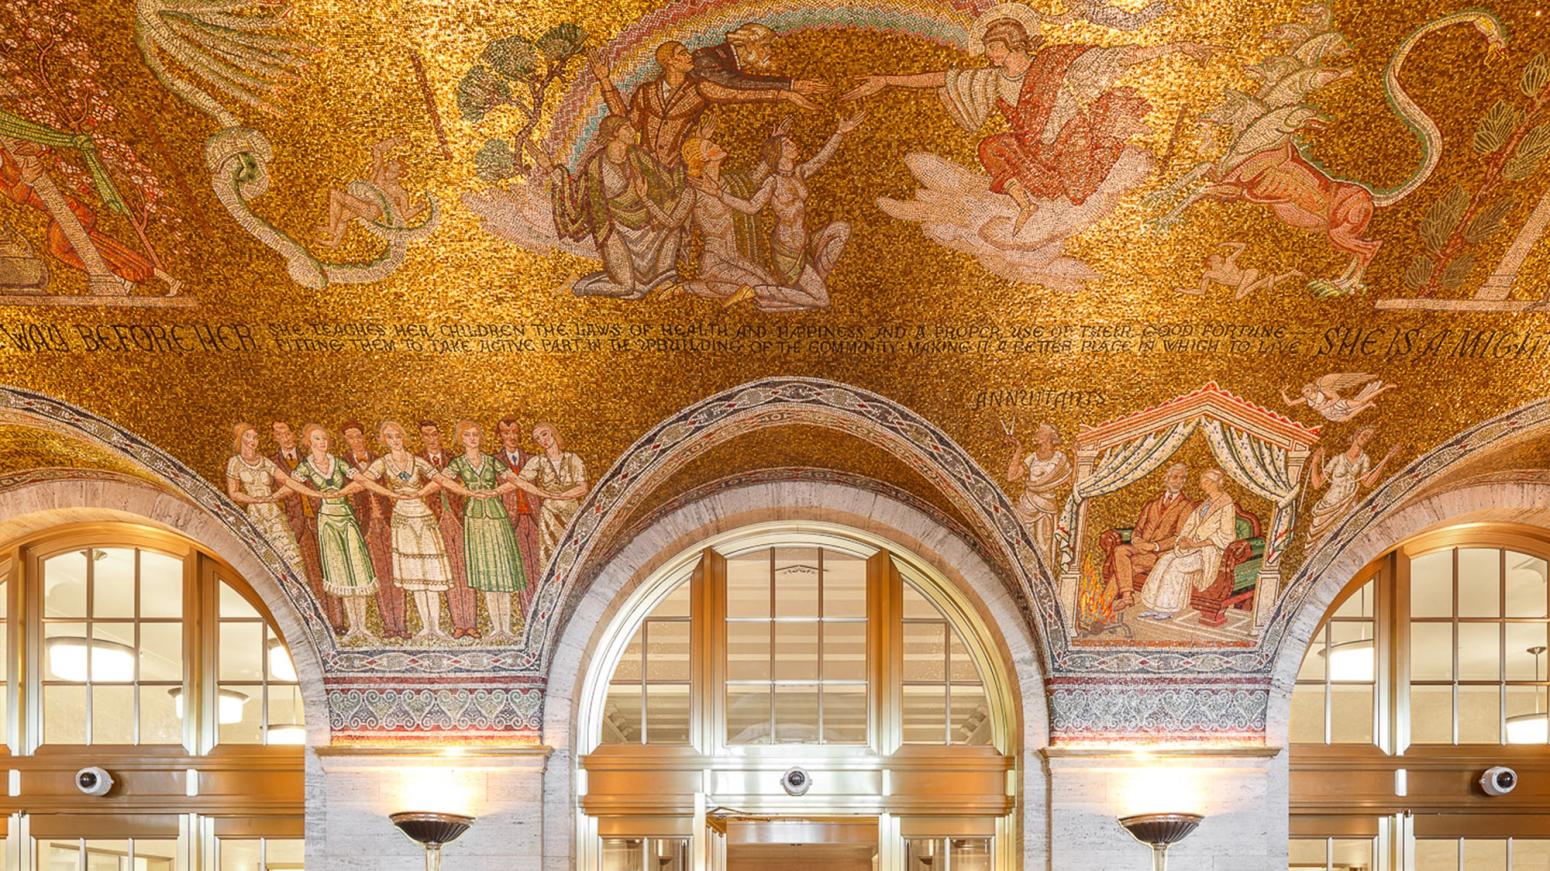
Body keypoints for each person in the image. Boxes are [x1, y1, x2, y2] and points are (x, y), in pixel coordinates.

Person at [843, 5, 1212, 234]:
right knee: (990, 147)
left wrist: (1179, 47)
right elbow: (944, 78)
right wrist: (887, 80)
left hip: (1070, 141)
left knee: (1078, 193)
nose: (987, 53)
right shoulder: (993, 79)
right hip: (1035, 153)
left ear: (1010, 44)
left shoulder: (1055, 63)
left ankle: (1108, 150)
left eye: (992, 46)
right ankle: (1026, 205)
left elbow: (1119, 57)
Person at [589, 39, 820, 173]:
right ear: (669, 61)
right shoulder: (646, 92)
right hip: (643, 167)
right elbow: (624, 121)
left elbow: (737, 94)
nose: (689, 56)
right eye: (682, 54)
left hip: (674, 169)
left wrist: (784, 93)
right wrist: (604, 80)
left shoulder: (699, 89)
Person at [712, 113, 865, 310]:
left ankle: (807, 288)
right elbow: (751, 207)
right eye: (786, 144)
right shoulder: (773, 182)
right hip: (788, 253)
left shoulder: (798, 173)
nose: (793, 144)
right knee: (822, 301)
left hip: (806, 245)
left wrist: (839, 133)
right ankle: (757, 291)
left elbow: (820, 159)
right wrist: (720, 194)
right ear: (778, 153)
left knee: (842, 228)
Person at [542, 116, 689, 298]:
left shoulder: (637, 155)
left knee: (673, 227)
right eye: (627, 128)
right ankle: (577, 285)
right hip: (614, 229)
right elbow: (578, 198)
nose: (633, 131)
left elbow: (663, 182)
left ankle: (662, 279)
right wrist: (551, 169)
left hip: (644, 224)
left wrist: (686, 169)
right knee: (625, 287)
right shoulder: (597, 165)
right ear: (614, 133)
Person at [352, 421, 455, 641]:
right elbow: (364, 481)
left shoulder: (416, 461)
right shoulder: (383, 462)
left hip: (423, 515)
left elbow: (440, 480)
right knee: (415, 574)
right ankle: (425, 627)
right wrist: (391, 494)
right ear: (384, 441)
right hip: (402, 518)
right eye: (390, 437)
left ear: (403, 437)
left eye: (398, 436)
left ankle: (436, 627)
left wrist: (420, 493)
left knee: (430, 572)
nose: (395, 440)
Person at [278, 424, 379, 643]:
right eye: (317, 439)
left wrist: (343, 491)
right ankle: (353, 626)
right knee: (340, 571)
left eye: (324, 438)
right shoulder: (306, 466)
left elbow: (362, 481)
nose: (322, 442)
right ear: (309, 442)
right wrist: (314, 494)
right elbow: (291, 485)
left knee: (357, 568)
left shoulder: (338, 463)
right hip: (327, 520)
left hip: (346, 517)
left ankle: (363, 626)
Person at [434, 420, 526, 642]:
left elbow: (516, 481)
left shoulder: (491, 461)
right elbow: (441, 480)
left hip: (496, 515)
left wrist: (496, 491)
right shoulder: (458, 463)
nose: (472, 439)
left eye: (476, 434)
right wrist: (467, 492)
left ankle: (507, 628)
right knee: (485, 570)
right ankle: (496, 627)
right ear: (461, 439)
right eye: (467, 435)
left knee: (502, 569)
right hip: (474, 517)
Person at [1136, 469, 1239, 621]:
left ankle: (1168, 608)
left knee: (1176, 564)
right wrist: (1184, 540)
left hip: (1208, 552)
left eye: (1207, 481)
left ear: (1217, 483)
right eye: (1203, 481)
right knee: (1165, 559)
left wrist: (1196, 544)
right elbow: (1189, 526)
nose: (1203, 485)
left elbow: (1227, 535)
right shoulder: (1206, 503)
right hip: (1191, 548)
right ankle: (1154, 606)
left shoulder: (1226, 504)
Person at [271, 420, 344, 633]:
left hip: (322, 517)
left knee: (331, 568)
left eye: (287, 432)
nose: (285, 437)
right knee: (310, 571)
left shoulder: (310, 457)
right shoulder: (273, 463)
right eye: (280, 434)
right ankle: (320, 620)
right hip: (297, 522)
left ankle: (338, 621)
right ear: (275, 438)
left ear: (294, 434)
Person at [1099, 463, 1197, 609]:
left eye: (1182, 478)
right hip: (1141, 547)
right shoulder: (1152, 504)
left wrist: (1154, 546)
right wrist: (1137, 540)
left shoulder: (1186, 506)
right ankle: (1121, 599)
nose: (1178, 481)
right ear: (1166, 479)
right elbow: (1138, 529)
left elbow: (1179, 537)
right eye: (1175, 477)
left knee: (1132, 564)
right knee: (1119, 550)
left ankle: (1109, 602)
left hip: (1161, 554)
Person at [341, 420, 406, 639]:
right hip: (366, 523)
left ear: (364, 437)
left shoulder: (380, 460)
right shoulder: (344, 463)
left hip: (388, 520)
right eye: (351, 437)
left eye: (358, 436)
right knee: (378, 573)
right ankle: (388, 624)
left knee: (396, 571)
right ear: (346, 441)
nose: (356, 441)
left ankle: (401, 623)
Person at [418, 421, 480, 639]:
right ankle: (458, 623)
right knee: (448, 571)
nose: (431, 439)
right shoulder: (418, 461)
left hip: (458, 516)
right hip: (435, 519)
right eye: (426, 435)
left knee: (465, 567)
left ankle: (471, 623)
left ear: (440, 435)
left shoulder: (454, 458)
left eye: (434, 434)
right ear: (421, 438)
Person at [314, 137, 430, 248]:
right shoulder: (379, 172)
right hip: (363, 201)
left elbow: (404, 215)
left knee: (335, 194)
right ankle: (335, 242)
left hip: (371, 210)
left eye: (395, 163)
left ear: (401, 172)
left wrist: (419, 208)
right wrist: (393, 141)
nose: (391, 161)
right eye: (393, 161)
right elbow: (377, 150)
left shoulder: (400, 192)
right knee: (343, 216)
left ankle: (332, 228)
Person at [225, 423, 305, 578]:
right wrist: (255, 500)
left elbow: (287, 481)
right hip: (255, 513)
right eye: (248, 436)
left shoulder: (264, 461)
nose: (252, 440)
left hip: (272, 511)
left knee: (287, 550)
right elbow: (233, 493)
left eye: (255, 437)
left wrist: (273, 497)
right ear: (240, 438)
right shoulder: (235, 462)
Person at [512, 422, 589, 568]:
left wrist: (560, 496)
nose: (543, 440)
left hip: (571, 511)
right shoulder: (538, 461)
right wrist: (542, 493)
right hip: (549, 514)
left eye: (544, 434)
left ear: (553, 432)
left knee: (575, 549)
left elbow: (583, 488)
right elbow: (518, 481)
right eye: (538, 438)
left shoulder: (572, 459)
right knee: (552, 553)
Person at [1308, 426, 1397, 540]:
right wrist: (1315, 462)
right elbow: (1317, 484)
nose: (1366, 438)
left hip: (1349, 504)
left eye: (1370, 437)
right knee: (1316, 538)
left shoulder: (1364, 459)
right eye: (1365, 434)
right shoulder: (1338, 459)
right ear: (1357, 434)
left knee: (1339, 538)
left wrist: (1385, 460)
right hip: (1330, 502)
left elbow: (1367, 483)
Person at [1003, 422, 1071, 563]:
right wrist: (1018, 449)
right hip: (1026, 506)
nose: (1036, 434)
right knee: (1020, 543)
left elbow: (1072, 482)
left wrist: (1076, 456)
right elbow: (1011, 476)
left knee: (1043, 548)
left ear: (1050, 437)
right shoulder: (1033, 457)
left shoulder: (1060, 459)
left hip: (1046, 508)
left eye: (1041, 432)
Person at [495, 416, 543, 601]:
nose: (511, 436)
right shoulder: (495, 461)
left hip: (534, 516)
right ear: (500, 436)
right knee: (521, 567)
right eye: (506, 432)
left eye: (515, 432)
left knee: (539, 563)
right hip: (511, 519)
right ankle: (528, 605)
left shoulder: (532, 459)